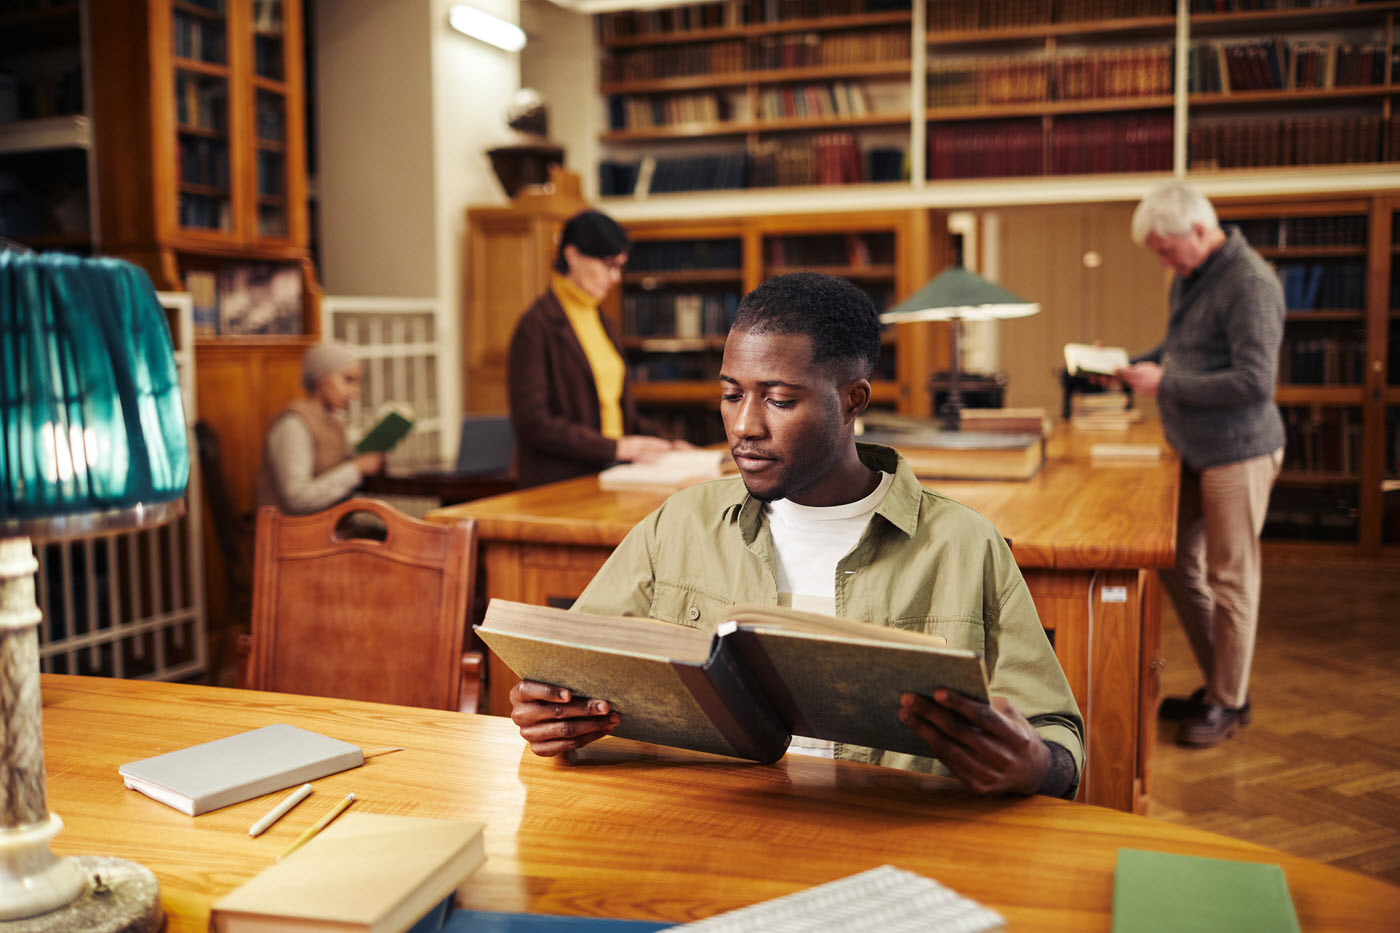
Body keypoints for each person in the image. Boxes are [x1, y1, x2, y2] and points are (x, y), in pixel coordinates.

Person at [508, 272, 1085, 799]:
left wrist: (1035, 765)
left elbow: (1057, 742)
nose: (743, 426)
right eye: (732, 393)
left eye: (779, 400)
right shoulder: (677, 525)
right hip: (704, 834)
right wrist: (552, 712)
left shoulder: (963, 545)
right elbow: (568, 677)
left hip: (891, 848)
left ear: (852, 400)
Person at [1114, 179, 1285, 748]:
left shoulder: (1250, 283)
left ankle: (1229, 702)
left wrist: (1166, 381)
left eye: (1166, 249)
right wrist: (1131, 366)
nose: (1164, 261)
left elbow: (1255, 382)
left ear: (1198, 229)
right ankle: (1220, 681)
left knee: (1231, 577)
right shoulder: (1192, 276)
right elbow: (1180, 351)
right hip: (1193, 448)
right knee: (1174, 559)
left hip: (1239, 450)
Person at [507, 209, 689, 488]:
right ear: (572, 256)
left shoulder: (603, 320)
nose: (615, 278)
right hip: (561, 483)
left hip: (613, 473)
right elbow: (533, 423)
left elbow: (618, 414)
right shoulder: (536, 325)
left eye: (620, 267)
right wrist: (617, 448)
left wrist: (669, 444)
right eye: (609, 264)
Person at [256, 341, 385, 515]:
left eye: (357, 383)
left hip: (328, 530)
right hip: (294, 536)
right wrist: (356, 469)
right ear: (320, 377)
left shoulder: (335, 420)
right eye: (348, 380)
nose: (354, 392)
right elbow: (297, 498)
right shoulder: (293, 424)